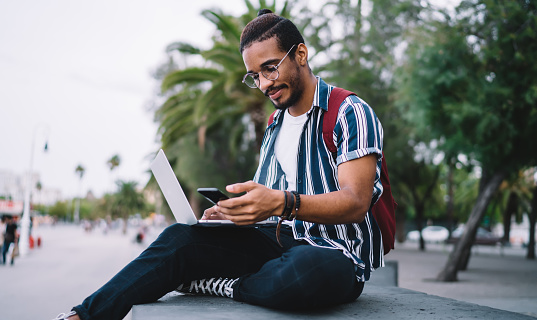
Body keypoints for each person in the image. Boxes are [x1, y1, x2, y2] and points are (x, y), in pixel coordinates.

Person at [53, 9, 385, 320]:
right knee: (180, 238)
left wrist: (283, 203)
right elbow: (266, 200)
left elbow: (355, 202)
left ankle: (223, 284)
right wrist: (232, 213)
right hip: (278, 239)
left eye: (270, 68)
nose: (265, 84)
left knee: (305, 270)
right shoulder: (275, 124)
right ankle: (81, 315)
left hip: (334, 253)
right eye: (254, 76)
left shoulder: (349, 112)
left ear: (300, 54)